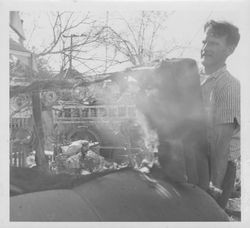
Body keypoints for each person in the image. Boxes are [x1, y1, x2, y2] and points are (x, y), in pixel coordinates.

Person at [200, 20, 240, 208]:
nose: (206, 48)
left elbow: (220, 146)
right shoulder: (198, 81)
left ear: (230, 50)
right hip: (196, 163)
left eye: (214, 43)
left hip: (217, 168)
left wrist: (213, 188)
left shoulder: (228, 85)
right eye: (204, 42)